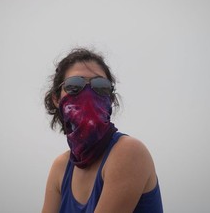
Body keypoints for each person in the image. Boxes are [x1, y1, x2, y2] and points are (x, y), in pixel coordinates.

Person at [42, 48, 163, 212]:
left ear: (110, 98)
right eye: (74, 85)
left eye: (100, 86)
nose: (88, 92)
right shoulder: (61, 168)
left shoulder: (129, 152)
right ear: (56, 99)